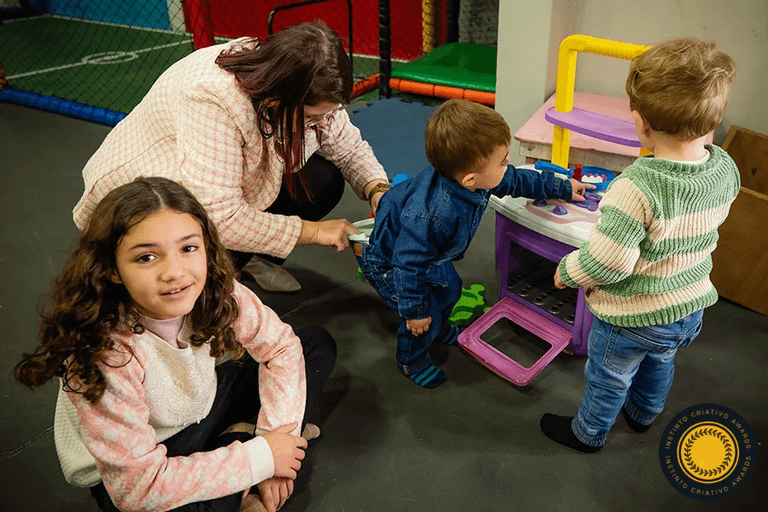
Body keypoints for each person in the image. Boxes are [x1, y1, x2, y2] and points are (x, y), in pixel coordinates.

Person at [15, 177, 337, 512]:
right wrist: (264, 458)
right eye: (146, 258)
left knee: (314, 345)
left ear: (206, 248)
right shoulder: (105, 355)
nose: (175, 272)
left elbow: (280, 347)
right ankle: (241, 445)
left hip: (198, 408)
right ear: (111, 269)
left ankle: (243, 441)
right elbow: (138, 488)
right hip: (147, 455)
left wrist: (272, 443)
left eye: (188, 248)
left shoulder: (213, 291)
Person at [72, 21, 390, 293]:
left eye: (329, 113)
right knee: (185, 280)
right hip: (141, 193)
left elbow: (347, 146)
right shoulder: (212, 98)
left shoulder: (297, 76)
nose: (323, 124)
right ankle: (213, 282)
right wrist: (314, 232)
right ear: (280, 99)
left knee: (323, 178)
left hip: (219, 181)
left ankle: (248, 260)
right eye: (311, 118)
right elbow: (220, 219)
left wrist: (377, 189)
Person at [540, 37, 738, 453]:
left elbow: (609, 264)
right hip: (688, 306)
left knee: (609, 376)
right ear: (712, 121)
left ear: (642, 123)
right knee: (660, 360)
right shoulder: (723, 167)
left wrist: (567, 272)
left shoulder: (635, 188)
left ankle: (588, 433)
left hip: (633, 316)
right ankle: (645, 414)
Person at [354, 99, 594, 388]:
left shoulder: (480, 178)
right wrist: (415, 313)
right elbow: (407, 265)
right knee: (422, 315)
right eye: (503, 161)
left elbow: (516, 180)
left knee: (451, 289)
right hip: (390, 261)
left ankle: (438, 326)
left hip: (427, 256)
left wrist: (563, 188)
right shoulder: (431, 214)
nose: (508, 166)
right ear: (470, 179)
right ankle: (412, 360)